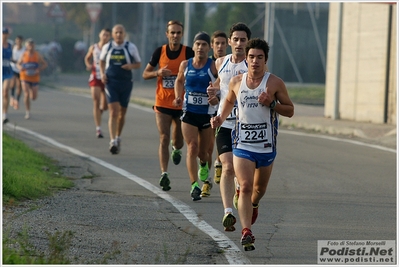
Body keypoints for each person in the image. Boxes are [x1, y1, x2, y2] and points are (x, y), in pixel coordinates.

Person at [211, 38, 294, 251]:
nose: (255, 61)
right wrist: (220, 118)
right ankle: (246, 231)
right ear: (246, 60)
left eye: (259, 57)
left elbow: (290, 110)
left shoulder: (274, 83)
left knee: (258, 190)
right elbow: (229, 101)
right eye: (251, 57)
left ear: (265, 60)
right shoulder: (237, 82)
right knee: (245, 186)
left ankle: (254, 204)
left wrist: (272, 104)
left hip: (266, 147)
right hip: (243, 145)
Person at [208, 22, 251, 232]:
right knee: (227, 166)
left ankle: (238, 193)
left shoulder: (253, 65)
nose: (239, 43)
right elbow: (220, 87)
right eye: (236, 39)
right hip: (224, 122)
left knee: (241, 174)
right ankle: (228, 212)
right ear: (230, 42)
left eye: (243, 40)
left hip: (245, 126)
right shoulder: (220, 62)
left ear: (248, 43)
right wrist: (213, 95)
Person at [142, 20, 194, 191]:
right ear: (167, 34)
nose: (175, 36)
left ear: (182, 34)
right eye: (172, 33)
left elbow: (198, 70)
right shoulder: (160, 52)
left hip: (181, 103)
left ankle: (176, 149)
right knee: (164, 137)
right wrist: (158, 72)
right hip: (163, 102)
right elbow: (145, 74)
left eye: (178, 33)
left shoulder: (188, 52)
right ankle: (164, 173)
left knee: (178, 141)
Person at [173, 31, 218, 201]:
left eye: (204, 45)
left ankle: (204, 165)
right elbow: (178, 81)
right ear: (193, 46)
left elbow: (221, 83)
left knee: (204, 152)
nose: (200, 47)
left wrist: (216, 96)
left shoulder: (213, 66)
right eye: (197, 44)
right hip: (189, 112)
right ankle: (194, 185)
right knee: (192, 147)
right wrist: (178, 96)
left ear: (208, 47)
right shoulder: (186, 65)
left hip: (206, 114)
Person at [100, 24, 141, 154]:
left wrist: (131, 66)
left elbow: (139, 64)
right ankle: (112, 141)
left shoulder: (131, 47)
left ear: (124, 34)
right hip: (111, 82)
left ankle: (118, 136)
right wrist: (102, 74)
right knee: (113, 111)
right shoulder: (108, 47)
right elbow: (101, 61)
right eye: (116, 32)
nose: (118, 35)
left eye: (121, 32)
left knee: (122, 112)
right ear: (113, 35)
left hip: (126, 83)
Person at [84, 28, 111, 138]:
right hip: (95, 77)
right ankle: (98, 128)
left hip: (107, 78)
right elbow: (87, 57)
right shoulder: (94, 47)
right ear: (100, 35)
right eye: (103, 34)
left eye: (107, 35)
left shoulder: (110, 47)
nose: (105, 36)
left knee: (104, 106)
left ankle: (99, 113)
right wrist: (88, 64)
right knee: (96, 101)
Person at [209, 30, 228, 185]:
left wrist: (217, 94)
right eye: (217, 43)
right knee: (207, 144)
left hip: (225, 108)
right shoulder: (209, 62)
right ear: (212, 45)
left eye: (223, 43)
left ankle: (218, 162)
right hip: (207, 108)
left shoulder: (228, 62)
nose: (220, 46)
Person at [17, 38, 48, 120]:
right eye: (29, 44)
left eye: (32, 44)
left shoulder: (37, 55)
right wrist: (20, 68)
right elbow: (18, 64)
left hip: (34, 77)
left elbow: (45, 64)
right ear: (26, 46)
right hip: (25, 76)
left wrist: (39, 69)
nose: (31, 46)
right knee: (26, 94)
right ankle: (27, 112)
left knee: (33, 97)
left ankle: (31, 91)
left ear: (34, 46)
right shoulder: (24, 54)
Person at [10, 35, 25, 110]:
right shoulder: (13, 48)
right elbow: (10, 57)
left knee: (19, 85)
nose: (19, 42)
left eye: (20, 40)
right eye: (17, 40)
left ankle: (17, 100)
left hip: (21, 69)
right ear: (16, 41)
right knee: (12, 83)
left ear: (22, 41)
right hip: (13, 67)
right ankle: (12, 97)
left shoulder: (24, 50)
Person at [2, 27, 14, 124]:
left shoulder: (10, 45)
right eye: (3, 33)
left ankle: (4, 114)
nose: (4, 35)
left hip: (7, 71)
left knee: (5, 91)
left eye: (6, 33)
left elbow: (12, 58)